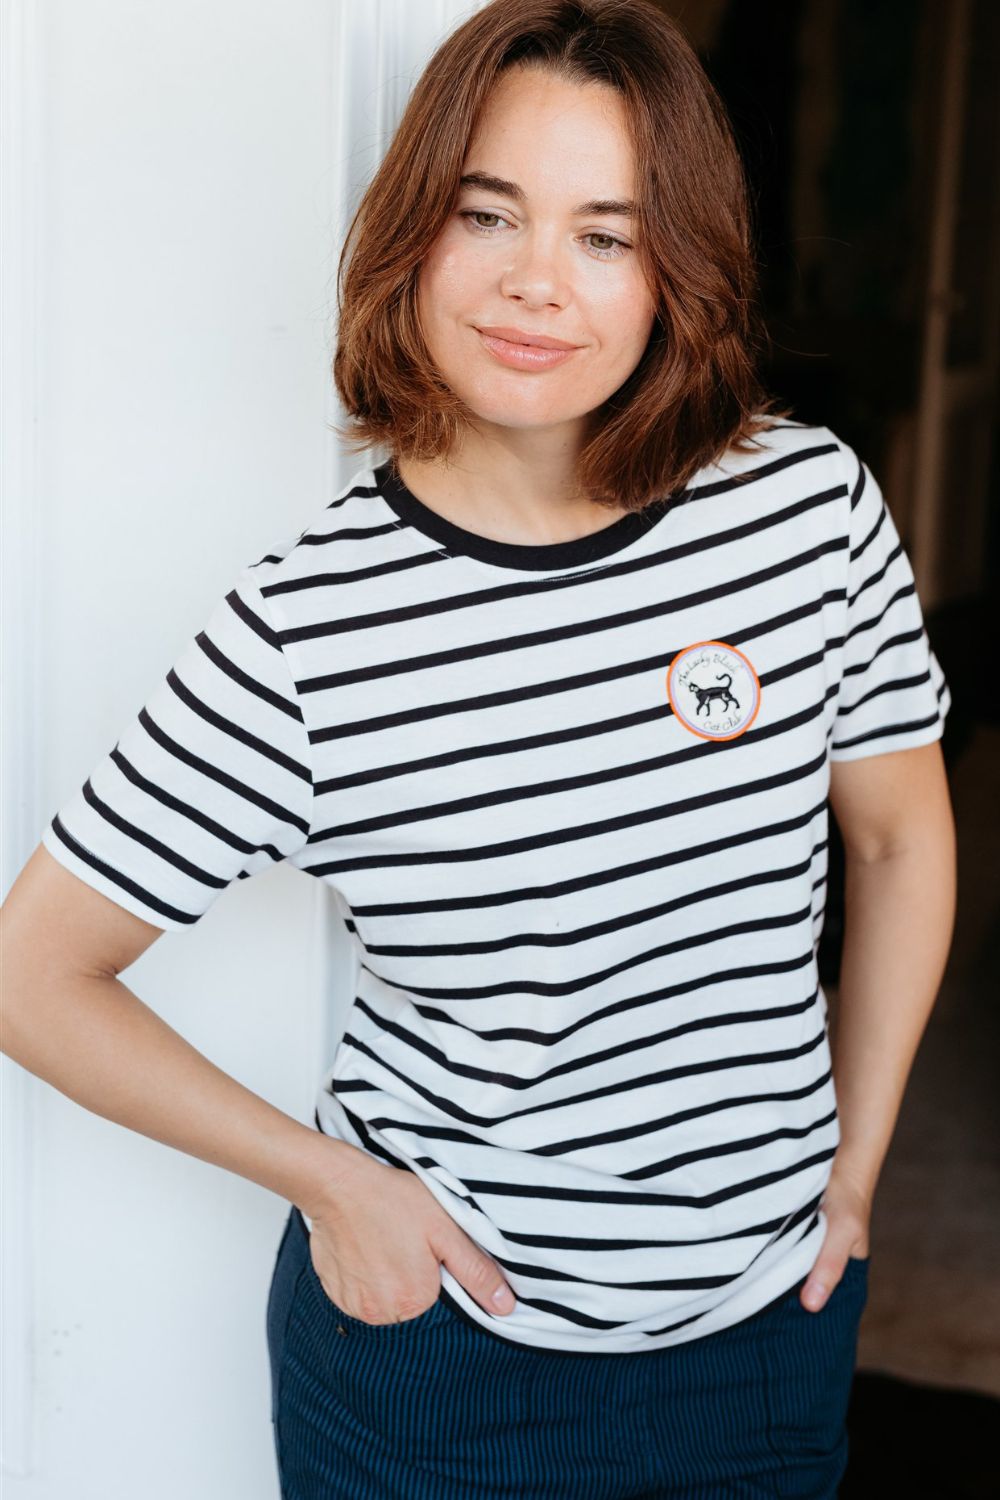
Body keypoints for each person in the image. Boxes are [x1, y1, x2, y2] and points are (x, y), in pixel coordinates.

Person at [2, 1, 957, 1496]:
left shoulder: (802, 509)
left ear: (677, 274)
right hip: (445, 1370)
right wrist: (331, 1184)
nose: (535, 283)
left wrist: (854, 1171)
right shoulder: (306, 631)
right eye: (487, 212)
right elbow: (31, 973)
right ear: (413, 234)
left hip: (775, 1335)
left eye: (607, 236)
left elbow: (900, 836)